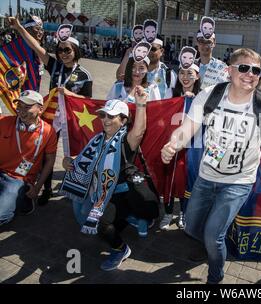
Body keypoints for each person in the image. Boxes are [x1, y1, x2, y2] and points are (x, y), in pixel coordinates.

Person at [160, 48, 261, 284]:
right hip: (206, 175)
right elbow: (188, 128)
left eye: (255, 70)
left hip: (238, 182)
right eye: (243, 68)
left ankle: (215, 275)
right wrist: (172, 144)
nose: (250, 74)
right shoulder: (211, 95)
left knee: (213, 235)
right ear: (230, 71)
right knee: (191, 227)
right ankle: (209, 245)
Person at [62, 90, 156, 270]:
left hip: (120, 195)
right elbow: (86, 160)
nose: (105, 119)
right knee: (83, 217)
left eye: (111, 116)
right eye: (103, 115)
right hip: (100, 193)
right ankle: (130, 218)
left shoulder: (125, 141)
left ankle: (120, 249)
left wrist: (141, 104)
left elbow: (140, 131)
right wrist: (68, 161)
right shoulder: (99, 138)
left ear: (123, 121)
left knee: (99, 223)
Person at [8, 17, 93, 206]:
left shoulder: (85, 75)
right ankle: (45, 188)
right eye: (61, 49)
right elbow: (36, 46)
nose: (63, 54)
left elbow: (89, 101)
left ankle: (74, 185)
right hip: (51, 117)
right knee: (47, 153)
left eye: (67, 50)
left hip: (72, 119)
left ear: (75, 51)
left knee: (73, 153)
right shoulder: (54, 65)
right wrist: (20, 28)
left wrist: (69, 93)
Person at [0, 91, 57, 226]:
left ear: (40, 109)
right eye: (19, 106)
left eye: (27, 107)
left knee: (1, 215)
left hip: (17, 180)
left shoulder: (48, 132)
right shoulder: (4, 122)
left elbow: (50, 160)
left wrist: (37, 188)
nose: (21, 110)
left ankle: (24, 202)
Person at [159, 62, 202, 231]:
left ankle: (184, 212)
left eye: (190, 73)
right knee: (170, 179)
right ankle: (168, 213)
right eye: (182, 73)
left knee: (188, 181)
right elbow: (162, 115)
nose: (185, 77)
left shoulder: (202, 95)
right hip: (172, 144)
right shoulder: (171, 92)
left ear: (197, 76)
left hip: (193, 146)